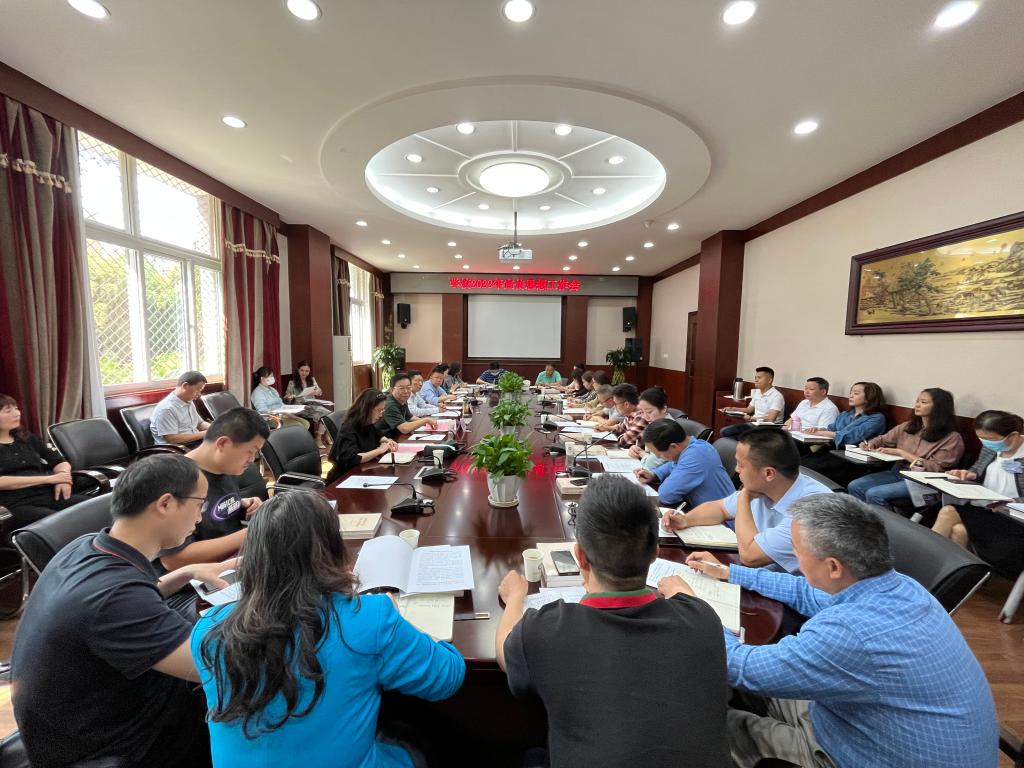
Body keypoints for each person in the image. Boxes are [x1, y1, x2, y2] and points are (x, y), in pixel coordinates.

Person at [662, 494, 998, 768]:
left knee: (700, 721)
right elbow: (805, 592)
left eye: (797, 552)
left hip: (854, 754)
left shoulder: (850, 634)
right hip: (859, 723)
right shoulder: (899, 587)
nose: (794, 558)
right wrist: (729, 573)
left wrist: (693, 605)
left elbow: (741, 666)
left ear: (833, 566)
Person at [192, 490, 466, 768]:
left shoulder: (207, 629)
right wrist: (400, 620)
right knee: (419, 732)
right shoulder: (369, 618)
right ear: (332, 547)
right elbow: (448, 676)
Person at [11, 454, 234, 768]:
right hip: (113, 745)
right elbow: (216, 666)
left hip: (73, 722)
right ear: (165, 503)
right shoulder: (115, 597)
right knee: (254, 698)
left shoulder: (86, 546)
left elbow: (131, 598)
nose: (201, 516)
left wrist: (186, 572)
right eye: (200, 504)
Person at [495, 475, 730, 768]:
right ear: (655, 553)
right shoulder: (702, 619)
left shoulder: (548, 630)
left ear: (580, 556)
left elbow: (505, 652)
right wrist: (687, 597)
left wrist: (515, 597)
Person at [662, 429, 831, 572]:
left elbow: (750, 556)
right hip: (760, 577)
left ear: (768, 473)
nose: (736, 470)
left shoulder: (811, 510)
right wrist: (686, 520)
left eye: (741, 465)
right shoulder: (766, 486)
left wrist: (743, 497)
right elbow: (719, 508)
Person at [159, 408, 270, 572]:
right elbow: (174, 560)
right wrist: (251, 533)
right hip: (197, 576)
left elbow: (214, 509)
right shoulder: (176, 480)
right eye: (251, 451)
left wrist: (242, 505)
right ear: (223, 444)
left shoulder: (226, 466)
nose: (252, 459)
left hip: (234, 559)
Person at [932, 410, 1024, 579]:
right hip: (984, 508)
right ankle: (957, 578)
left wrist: (1008, 503)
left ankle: (927, 563)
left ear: (1013, 435)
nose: (987, 443)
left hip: (1013, 517)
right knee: (959, 530)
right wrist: (968, 474)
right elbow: (977, 469)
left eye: (991, 439)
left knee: (949, 512)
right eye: (982, 439)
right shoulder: (990, 448)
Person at [847, 388, 964, 509]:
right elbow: (882, 439)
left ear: (938, 407)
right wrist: (870, 444)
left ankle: (881, 521)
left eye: (923, 402)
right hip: (898, 472)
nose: (917, 405)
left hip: (924, 481)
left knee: (874, 494)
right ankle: (861, 519)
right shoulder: (908, 426)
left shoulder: (952, 437)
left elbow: (937, 469)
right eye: (917, 401)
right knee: (855, 486)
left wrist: (902, 453)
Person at [0, 393, 91, 532]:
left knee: (92, 507)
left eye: (16, 408)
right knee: (60, 524)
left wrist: (63, 478)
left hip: (46, 494)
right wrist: (50, 479)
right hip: (12, 504)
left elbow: (59, 461)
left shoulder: (27, 438)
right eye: (8, 411)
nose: (17, 413)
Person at [799, 381, 887, 484]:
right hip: (832, 450)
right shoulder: (845, 414)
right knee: (799, 463)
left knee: (810, 469)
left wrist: (821, 433)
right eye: (851, 393)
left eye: (856, 393)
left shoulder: (877, 418)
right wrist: (818, 430)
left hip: (853, 457)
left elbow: (851, 437)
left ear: (869, 397)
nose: (851, 396)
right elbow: (831, 428)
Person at [636, 420, 735, 508]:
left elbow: (666, 495)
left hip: (721, 520)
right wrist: (654, 474)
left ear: (673, 446)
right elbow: (673, 464)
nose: (658, 457)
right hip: (702, 511)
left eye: (659, 454)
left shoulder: (696, 455)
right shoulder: (691, 446)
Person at [326, 388, 399, 484]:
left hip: (362, 472)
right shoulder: (348, 428)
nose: (381, 415)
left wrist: (386, 440)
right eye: (379, 410)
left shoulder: (367, 423)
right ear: (367, 409)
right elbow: (354, 458)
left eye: (383, 410)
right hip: (343, 479)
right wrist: (379, 450)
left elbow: (378, 435)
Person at [150, 370, 210, 445]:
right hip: (176, 448)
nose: (199, 394)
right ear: (185, 386)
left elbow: (200, 424)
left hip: (194, 443)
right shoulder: (166, 409)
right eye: (198, 389)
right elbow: (172, 439)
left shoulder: (188, 401)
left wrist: (215, 428)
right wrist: (206, 433)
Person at [722, 366, 784, 438]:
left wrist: (752, 418)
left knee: (737, 435)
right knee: (725, 431)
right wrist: (732, 409)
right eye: (755, 378)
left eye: (759, 378)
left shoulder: (777, 396)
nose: (756, 380)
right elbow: (749, 409)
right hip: (755, 424)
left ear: (770, 380)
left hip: (770, 428)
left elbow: (770, 419)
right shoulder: (757, 392)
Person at [283, 360, 333, 441]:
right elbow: (286, 397)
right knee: (324, 414)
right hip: (300, 407)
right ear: (298, 370)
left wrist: (317, 391)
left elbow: (320, 392)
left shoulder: (312, 380)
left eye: (307, 371)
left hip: (312, 405)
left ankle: (324, 435)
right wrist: (289, 397)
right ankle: (319, 438)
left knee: (329, 414)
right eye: (302, 370)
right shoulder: (292, 383)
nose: (304, 373)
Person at [378, 372, 438, 438]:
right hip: (384, 439)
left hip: (397, 436)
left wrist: (429, 422)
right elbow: (404, 428)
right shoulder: (390, 405)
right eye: (401, 388)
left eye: (408, 387)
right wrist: (425, 420)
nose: (406, 391)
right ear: (392, 390)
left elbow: (410, 417)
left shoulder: (402, 399)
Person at [628, 386, 675, 469]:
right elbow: (647, 450)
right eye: (642, 412)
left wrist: (642, 454)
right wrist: (635, 449)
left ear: (664, 408)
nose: (645, 417)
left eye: (649, 412)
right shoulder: (655, 423)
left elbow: (651, 464)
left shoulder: (668, 429)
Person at [251, 366, 309, 430]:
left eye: (272, 376)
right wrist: (280, 414)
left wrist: (289, 411)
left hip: (283, 415)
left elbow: (281, 404)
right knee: (299, 426)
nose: (272, 378)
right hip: (272, 419)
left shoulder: (272, 389)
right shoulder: (258, 392)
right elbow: (262, 411)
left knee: (306, 423)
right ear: (262, 378)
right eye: (270, 376)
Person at [605, 383, 650, 448]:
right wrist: (605, 428)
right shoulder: (630, 413)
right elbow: (621, 428)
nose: (614, 407)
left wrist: (620, 435)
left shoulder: (641, 416)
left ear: (626, 404)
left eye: (616, 404)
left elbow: (624, 441)